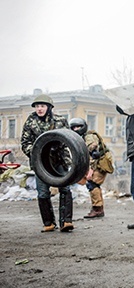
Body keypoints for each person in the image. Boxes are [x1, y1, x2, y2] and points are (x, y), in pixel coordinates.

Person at [20, 94, 74, 232]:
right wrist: (39, 151)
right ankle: (48, 223)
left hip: (59, 160)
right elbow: (25, 143)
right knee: (43, 193)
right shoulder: (30, 122)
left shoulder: (60, 121)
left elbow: (70, 139)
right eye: (37, 106)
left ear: (49, 107)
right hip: (41, 164)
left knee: (65, 189)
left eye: (42, 106)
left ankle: (66, 222)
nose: (39, 109)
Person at [69, 117, 114, 219]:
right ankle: (98, 208)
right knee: (92, 184)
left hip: (99, 163)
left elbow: (95, 154)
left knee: (92, 184)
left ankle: (97, 209)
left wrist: (91, 170)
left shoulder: (89, 137)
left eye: (78, 127)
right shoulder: (81, 137)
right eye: (74, 127)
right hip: (96, 163)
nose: (76, 129)